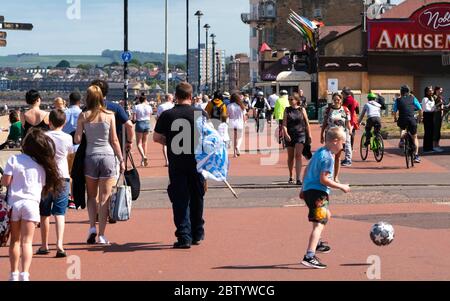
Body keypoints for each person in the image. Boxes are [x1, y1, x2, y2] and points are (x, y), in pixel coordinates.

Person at [2, 128, 63, 281]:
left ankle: (13, 274)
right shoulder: (42, 165)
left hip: (14, 203)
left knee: (14, 241)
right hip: (31, 204)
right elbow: (42, 186)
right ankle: (25, 274)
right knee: (27, 242)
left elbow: (6, 182)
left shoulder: (14, 159)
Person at [153, 82, 208, 249]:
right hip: (197, 161)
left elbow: (156, 137)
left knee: (180, 198)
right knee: (197, 197)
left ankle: (184, 235)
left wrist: (169, 141)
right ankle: (197, 232)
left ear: (176, 96)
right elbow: (211, 137)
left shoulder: (168, 115)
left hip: (177, 161)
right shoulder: (200, 113)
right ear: (191, 97)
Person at [74, 85, 125, 245]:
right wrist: (121, 160)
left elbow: (77, 139)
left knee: (91, 195)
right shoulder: (110, 115)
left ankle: (92, 227)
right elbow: (114, 140)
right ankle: (102, 234)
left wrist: (81, 132)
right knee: (105, 197)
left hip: (91, 156)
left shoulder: (84, 115)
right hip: (108, 156)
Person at [300, 127, 350, 269]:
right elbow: (324, 180)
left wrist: (303, 188)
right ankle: (309, 256)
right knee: (319, 225)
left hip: (310, 192)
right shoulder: (328, 157)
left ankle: (318, 243)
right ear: (335, 141)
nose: (343, 146)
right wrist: (342, 187)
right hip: (318, 194)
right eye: (343, 143)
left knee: (326, 215)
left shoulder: (319, 152)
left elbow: (306, 169)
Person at [37, 110, 74, 258]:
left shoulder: (44, 136)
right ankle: (59, 244)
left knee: (44, 212)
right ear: (64, 123)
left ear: (49, 122)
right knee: (60, 212)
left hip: (46, 176)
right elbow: (70, 154)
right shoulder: (67, 138)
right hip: (62, 176)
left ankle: (44, 244)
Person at [90, 80, 134, 152]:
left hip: (92, 148)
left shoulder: (86, 109)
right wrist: (129, 142)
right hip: (113, 147)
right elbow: (129, 125)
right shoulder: (116, 107)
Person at [320, 93, 351, 183]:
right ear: (332, 100)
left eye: (338, 99)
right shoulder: (328, 109)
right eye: (334, 99)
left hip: (341, 136)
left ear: (341, 100)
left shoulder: (345, 110)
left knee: (338, 157)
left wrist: (350, 132)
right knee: (329, 156)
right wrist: (321, 134)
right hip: (330, 135)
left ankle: (336, 177)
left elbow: (348, 123)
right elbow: (325, 123)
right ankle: (327, 175)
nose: (336, 101)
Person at [283, 93, 311, 185]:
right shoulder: (287, 110)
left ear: (296, 100)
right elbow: (284, 124)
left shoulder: (302, 109)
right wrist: (286, 133)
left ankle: (298, 178)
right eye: (289, 99)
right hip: (290, 135)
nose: (290, 101)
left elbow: (307, 123)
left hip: (300, 134)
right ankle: (291, 176)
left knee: (298, 155)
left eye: (292, 99)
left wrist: (309, 135)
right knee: (290, 157)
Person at [63, 91, 83, 209]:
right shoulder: (82, 113)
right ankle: (78, 198)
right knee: (79, 175)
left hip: (67, 147)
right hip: (80, 147)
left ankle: (70, 198)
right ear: (79, 101)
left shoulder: (65, 113)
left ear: (69, 100)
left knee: (69, 174)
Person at [393, 85, 423, 163]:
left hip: (402, 120)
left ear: (401, 92)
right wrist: (420, 118)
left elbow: (394, 111)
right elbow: (420, 109)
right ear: (409, 91)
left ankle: (402, 139)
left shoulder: (398, 100)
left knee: (401, 126)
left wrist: (395, 118)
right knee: (415, 137)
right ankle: (416, 156)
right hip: (412, 120)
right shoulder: (413, 98)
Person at [132, 94, 152, 167]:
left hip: (140, 123)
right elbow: (150, 116)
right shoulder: (149, 107)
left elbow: (134, 118)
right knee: (145, 142)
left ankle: (143, 156)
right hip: (147, 123)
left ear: (139, 100)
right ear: (145, 100)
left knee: (139, 143)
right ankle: (142, 161)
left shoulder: (136, 107)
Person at [157, 93, 175, 167]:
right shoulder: (174, 106)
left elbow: (158, 117)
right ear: (170, 99)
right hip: (174, 126)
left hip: (164, 126)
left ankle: (167, 160)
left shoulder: (161, 106)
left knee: (164, 144)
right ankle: (173, 160)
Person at [341, 87, 358, 166]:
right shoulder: (352, 99)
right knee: (347, 140)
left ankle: (348, 159)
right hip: (350, 120)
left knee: (347, 141)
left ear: (344, 93)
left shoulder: (348, 100)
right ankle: (347, 158)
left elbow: (342, 108)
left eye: (342, 93)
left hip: (348, 121)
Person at [227, 92, 246, 157]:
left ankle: (234, 153)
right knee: (240, 137)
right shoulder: (241, 105)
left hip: (231, 123)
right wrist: (245, 122)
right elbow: (244, 116)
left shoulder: (229, 106)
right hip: (239, 123)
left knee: (233, 139)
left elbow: (228, 115)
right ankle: (237, 147)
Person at [422, 86, 436, 153]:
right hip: (427, 116)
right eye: (430, 90)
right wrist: (433, 109)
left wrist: (435, 109)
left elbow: (433, 107)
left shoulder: (432, 98)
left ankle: (430, 147)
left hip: (432, 116)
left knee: (431, 132)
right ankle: (426, 148)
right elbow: (426, 109)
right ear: (427, 92)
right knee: (427, 132)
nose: (432, 91)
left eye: (432, 90)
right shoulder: (425, 99)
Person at [432, 86, 444, 152]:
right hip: (435, 115)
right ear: (436, 90)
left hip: (439, 115)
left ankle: (437, 145)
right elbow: (432, 106)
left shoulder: (440, 97)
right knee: (435, 130)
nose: (441, 91)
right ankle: (434, 146)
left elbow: (441, 106)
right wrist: (440, 103)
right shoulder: (434, 97)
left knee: (438, 130)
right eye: (440, 90)